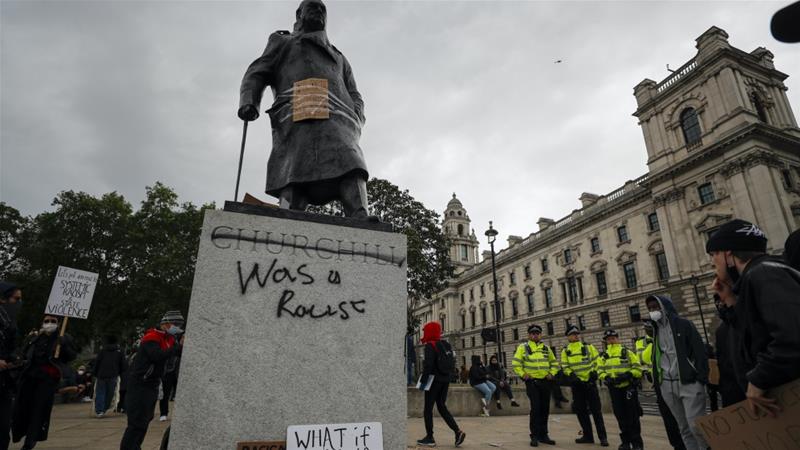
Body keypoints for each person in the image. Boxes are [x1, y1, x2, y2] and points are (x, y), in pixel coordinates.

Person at [238, 0, 371, 218]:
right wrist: (249, 100)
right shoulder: (283, 41)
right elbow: (257, 71)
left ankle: (359, 214)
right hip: (299, 107)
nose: (318, 11)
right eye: (312, 7)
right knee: (295, 165)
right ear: (299, 15)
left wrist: (356, 114)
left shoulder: (339, 56)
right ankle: (289, 212)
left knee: (352, 161)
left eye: (322, 9)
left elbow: (354, 92)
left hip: (340, 117)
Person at [707, 219, 800, 417]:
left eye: (714, 254)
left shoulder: (763, 273)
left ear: (729, 253)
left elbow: (792, 335)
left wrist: (759, 379)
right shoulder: (762, 274)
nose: (712, 261)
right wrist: (731, 301)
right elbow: (756, 336)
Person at [644, 295, 708, 450]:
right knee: (683, 428)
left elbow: (699, 352)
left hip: (688, 381)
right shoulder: (654, 330)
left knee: (696, 426)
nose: (653, 311)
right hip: (667, 384)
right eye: (650, 308)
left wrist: (701, 378)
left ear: (664, 307)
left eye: (655, 307)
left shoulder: (684, 324)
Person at [120, 312, 184, 450]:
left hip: (153, 384)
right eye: (176, 325)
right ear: (166, 324)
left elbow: (176, 353)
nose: (178, 328)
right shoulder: (151, 338)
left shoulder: (170, 339)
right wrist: (177, 348)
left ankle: (135, 446)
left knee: (145, 420)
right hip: (140, 384)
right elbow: (157, 356)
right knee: (136, 423)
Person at [11, 315, 77, 450]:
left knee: (39, 410)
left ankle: (30, 441)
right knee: (21, 408)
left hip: (47, 380)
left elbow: (71, 356)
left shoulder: (63, 338)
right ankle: (21, 433)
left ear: (58, 323)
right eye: (47, 321)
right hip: (28, 378)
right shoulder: (34, 337)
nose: (49, 323)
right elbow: (22, 354)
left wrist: (63, 344)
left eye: (53, 321)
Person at [415, 321, 465, 448]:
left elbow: (428, 365)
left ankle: (430, 437)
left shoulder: (430, 345)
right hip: (445, 380)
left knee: (428, 409)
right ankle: (457, 431)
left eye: (425, 331)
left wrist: (422, 381)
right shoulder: (446, 344)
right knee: (442, 406)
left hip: (433, 381)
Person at [560, 325, 608, 446]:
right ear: (568, 337)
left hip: (590, 383)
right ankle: (588, 436)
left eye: (577, 334)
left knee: (596, 411)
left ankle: (603, 437)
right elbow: (565, 366)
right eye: (573, 334)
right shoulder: (565, 350)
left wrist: (594, 373)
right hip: (577, 385)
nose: (576, 336)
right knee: (581, 412)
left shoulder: (588, 347)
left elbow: (597, 360)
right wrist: (572, 376)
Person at [512, 324, 559, 447]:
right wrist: (523, 374)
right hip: (532, 383)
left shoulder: (546, 348)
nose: (535, 335)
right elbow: (516, 363)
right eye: (533, 333)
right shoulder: (523, 347)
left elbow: (554, 363)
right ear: (529, 335)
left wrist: (551, 373)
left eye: (537, 333)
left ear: (540, 334)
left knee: (545, 409)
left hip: (545, 382)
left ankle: (544, 435)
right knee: (536, 409)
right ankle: (534, 435)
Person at [641, 325, 686, 450]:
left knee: (681, 419)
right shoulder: (652, 344)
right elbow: (645, 358)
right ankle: (678, 445)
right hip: (661, 386)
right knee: (670, 420)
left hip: (677, 384)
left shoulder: (673, 338)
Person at [597, 329, 643, 450]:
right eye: (608, 339)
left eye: (613, 338)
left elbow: (638, 369)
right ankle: (626, 442)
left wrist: (627, 375)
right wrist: (606, 377)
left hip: (628, 388)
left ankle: (637, 443)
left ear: (617, 338)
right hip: (614, 389)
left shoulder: (626, 352)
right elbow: (600, 371)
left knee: (633, 417)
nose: (611, 341)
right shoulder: (604, 356)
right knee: (620, 417)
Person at [711, 294, 745, 407]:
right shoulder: (720, 331)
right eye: (717, 302)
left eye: (722, 299)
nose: (720, 304)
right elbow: (722, 362)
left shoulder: (748, 321)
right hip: (730, 391)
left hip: (753, 387)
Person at [0, 282, 23, 450]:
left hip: (4, 383)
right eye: (16, 299)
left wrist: (15, 358)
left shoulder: (9, 322)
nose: (19, 303)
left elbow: (10, 347)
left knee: (2, 428)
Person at [93, 335, 127, 418]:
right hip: (113, 374)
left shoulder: (102, 350)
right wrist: (122, 373)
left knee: (100, 392)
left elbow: (97, 362)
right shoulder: (120, 351)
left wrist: (94, 372)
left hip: (101, 374)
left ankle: (99, 410)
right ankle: (104, 408)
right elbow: (123, 364)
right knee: (110, 393)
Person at [158, 312, 184, 421]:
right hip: (168, 370)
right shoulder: (164, 337)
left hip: (178, 369)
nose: (176, 327)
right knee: (165, 392)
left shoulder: (181, 335)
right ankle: (163, 413)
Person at [116, 348, 135, 413]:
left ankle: (119, 407)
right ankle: (124, 408)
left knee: (122, 394)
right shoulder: (131, 359)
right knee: (126, 394)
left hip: (122, 378)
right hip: (127, 378)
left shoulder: (123, 359)